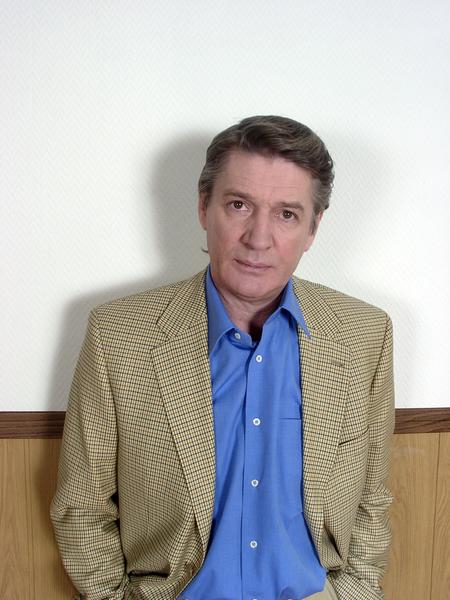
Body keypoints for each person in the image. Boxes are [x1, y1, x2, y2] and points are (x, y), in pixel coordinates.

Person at [51, 116, 395, 600]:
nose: (258, 238)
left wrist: (355, 590)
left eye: (287, 214)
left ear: (314, 228)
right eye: (239, 205)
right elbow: (81, 506)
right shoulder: (119, 336)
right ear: (203, 207)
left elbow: (371, 499)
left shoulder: (364, 335)